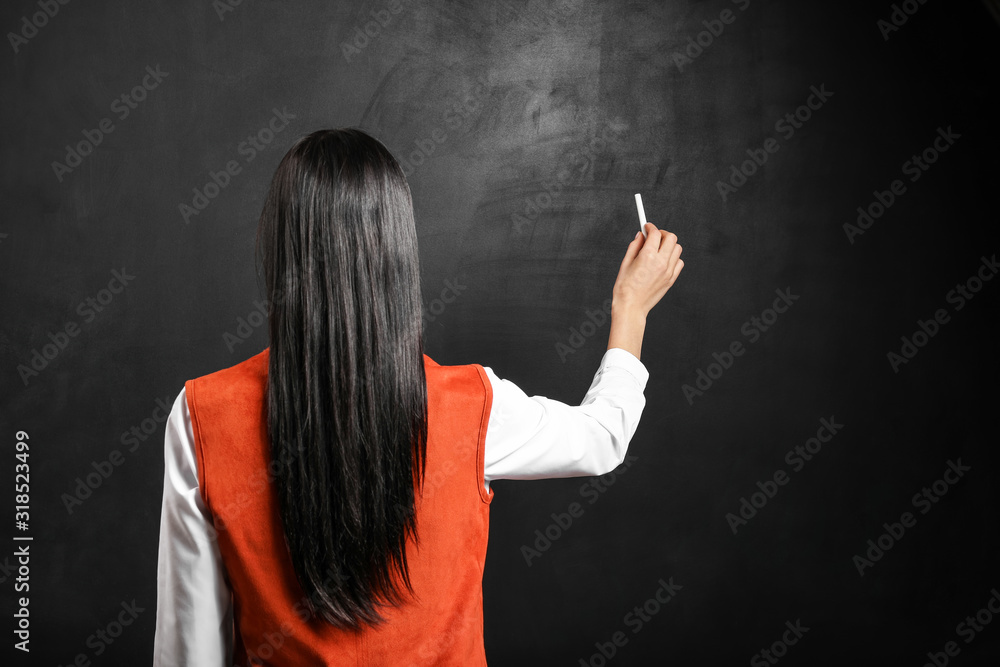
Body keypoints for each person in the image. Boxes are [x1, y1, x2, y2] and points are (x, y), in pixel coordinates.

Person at [152, 128, 683, 666]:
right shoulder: (474, 407)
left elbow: (187, 654)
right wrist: (631, 308)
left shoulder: (201, 416)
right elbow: (602, 437)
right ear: (398, 252)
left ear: (281, 248)